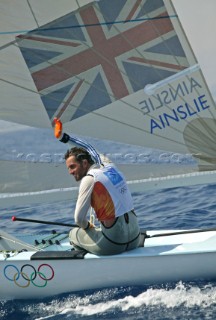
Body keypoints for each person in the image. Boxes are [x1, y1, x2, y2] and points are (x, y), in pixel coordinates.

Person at [65, 146, 141, 255]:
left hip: (113, 244)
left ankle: (90, 268)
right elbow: (94, 151)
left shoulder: (89, 179)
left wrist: (88, 227)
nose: (70, 172)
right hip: (135, 239)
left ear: (85, 163)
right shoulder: (111, 167)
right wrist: (65, 139)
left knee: (73, 234)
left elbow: (79, 219)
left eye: (72, 167)